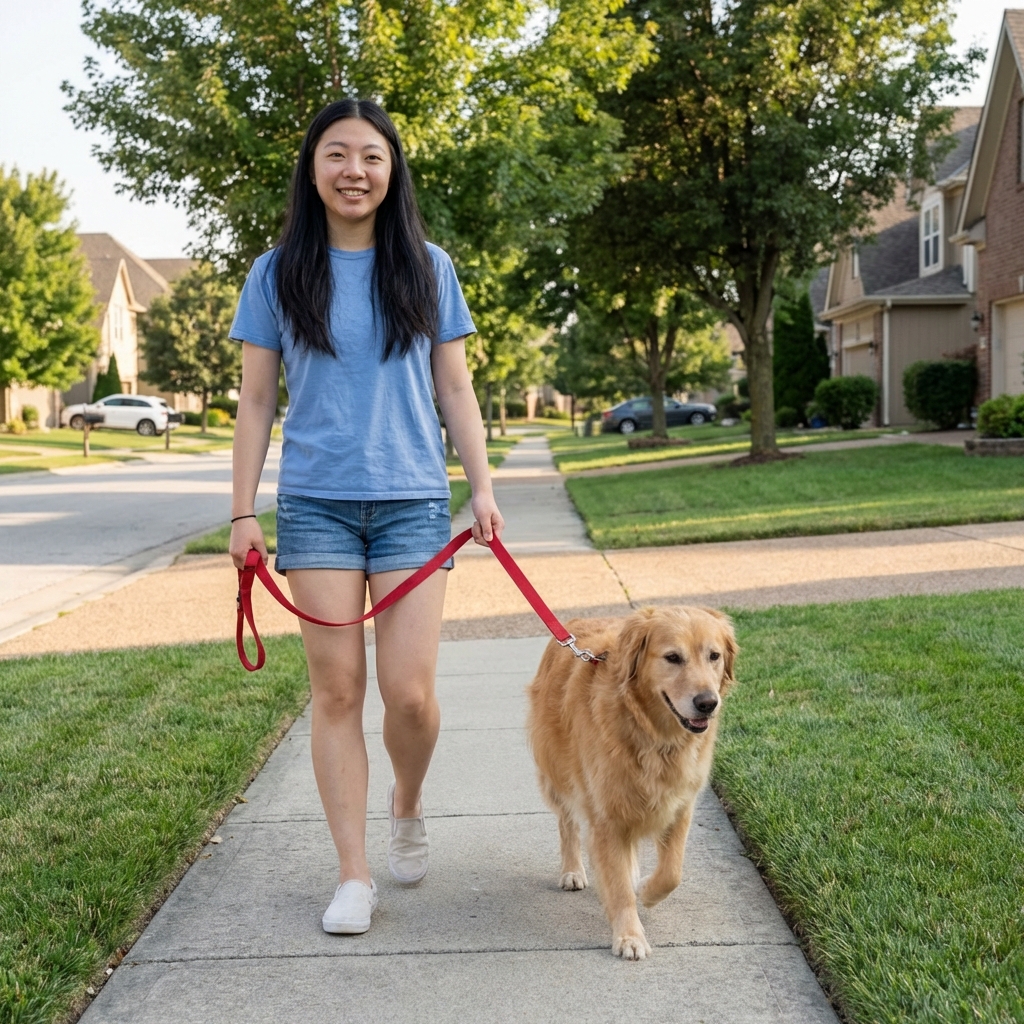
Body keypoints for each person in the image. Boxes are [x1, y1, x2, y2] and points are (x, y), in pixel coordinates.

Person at [228, 98, 503, 936]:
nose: (355, 170)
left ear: (392, 171)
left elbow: (455, 388)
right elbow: (256, 399)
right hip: (316, 505)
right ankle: (353, 875)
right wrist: (242, 512)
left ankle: (407, 802)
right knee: (337, 688)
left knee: (409, 695)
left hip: (413, 499)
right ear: (312, 169)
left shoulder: (428, 265)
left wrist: (481, 486)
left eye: (371, 156)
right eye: (338, 154)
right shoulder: (275, 272)